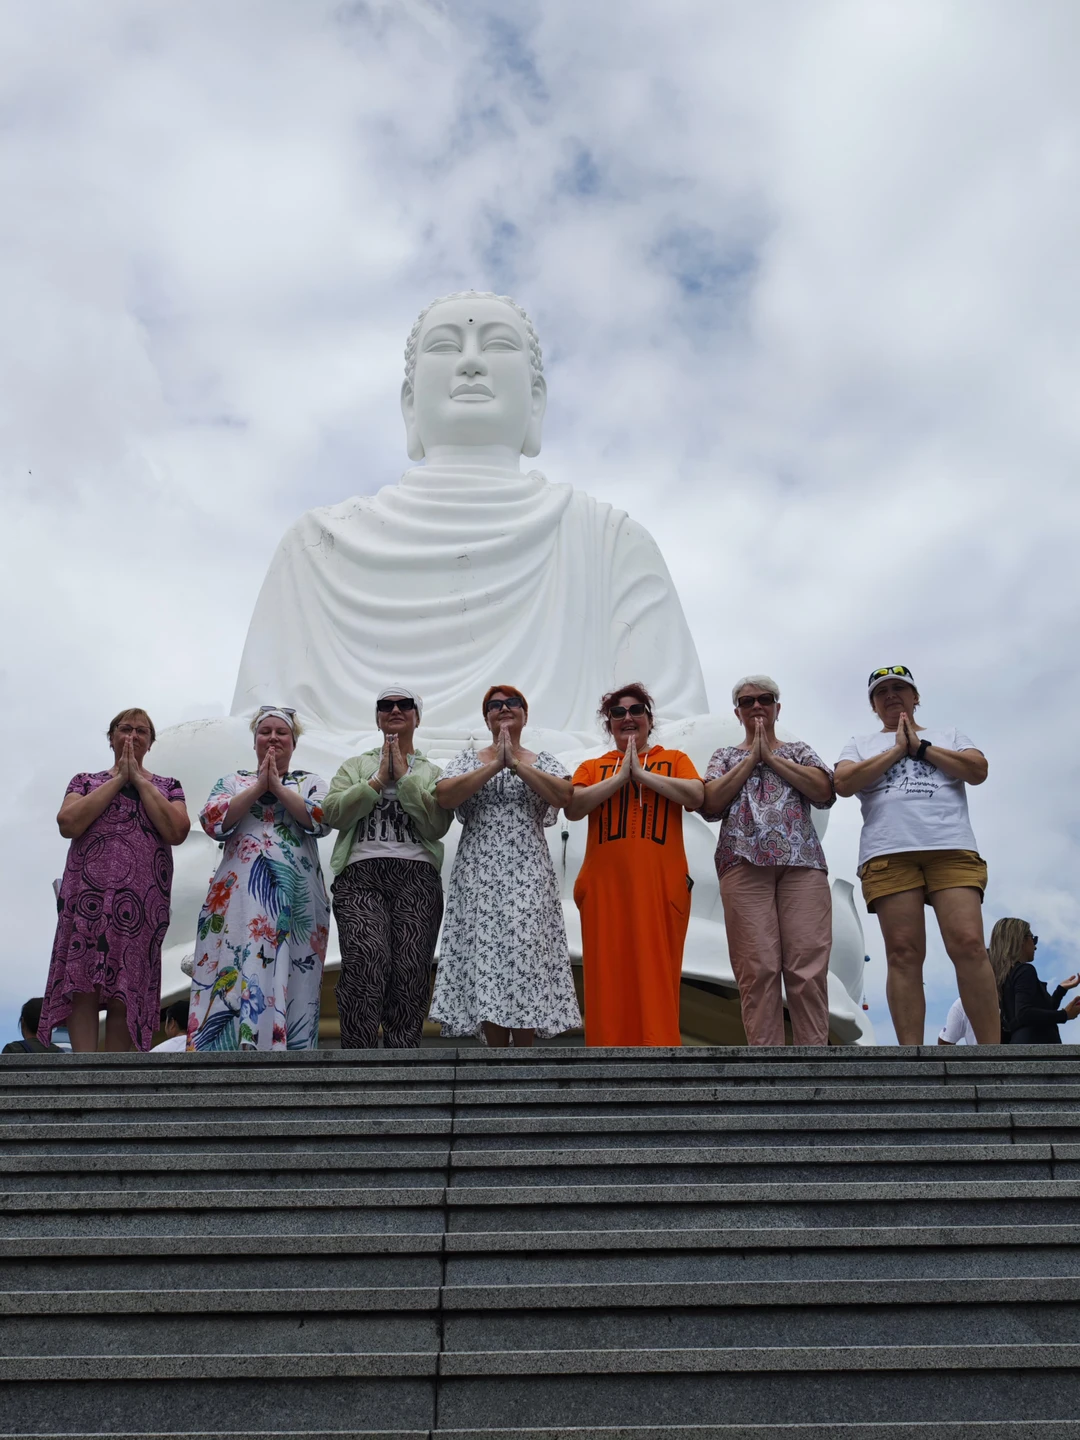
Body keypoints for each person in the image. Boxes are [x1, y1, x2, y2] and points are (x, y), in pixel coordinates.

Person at [834, 665, 999, 1046]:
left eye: (899, 688)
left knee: (970, 944)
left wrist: (922, 748)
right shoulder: (859, 742)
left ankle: (992, 1053)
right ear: (873, 706)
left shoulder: (950, 736)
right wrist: (896, 751)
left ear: (916, 697)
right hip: (888, 852)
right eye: (882, 692)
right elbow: (843, 782)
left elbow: (978, 770)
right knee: (903, 953)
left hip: (951, 848)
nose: (891, 695)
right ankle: (912, 1056)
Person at [430, 685, 581, 1047]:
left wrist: (515, 763)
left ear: (525, 715)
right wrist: (496, 763)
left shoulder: (542, 760)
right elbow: (446, 796)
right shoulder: (468, 760)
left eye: (512, 703)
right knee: (487, 957)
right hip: (479, 873)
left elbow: (564, 795)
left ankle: (523, 1055)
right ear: (486, 718)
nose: (504, 709)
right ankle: (494, 1055)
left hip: (528, 871)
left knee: (524, 955)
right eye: (494, 706)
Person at [39, 709, 190, 1052]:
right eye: (125, 729)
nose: (132, 736)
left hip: (140, 900)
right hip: (88, 894)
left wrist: (137, 780)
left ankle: (116, 1071)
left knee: (127, 983)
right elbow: (69, 823)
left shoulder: (168, 787)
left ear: (151, 743)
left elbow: (177, 829)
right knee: (82, 981)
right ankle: (84, 1067)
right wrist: (118, 779)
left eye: (141, 731)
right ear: (111, 737)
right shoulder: (85, 781)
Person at [700, 675, 835, 1047]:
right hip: (742, 862)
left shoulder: (798, 751)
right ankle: (767, 1061)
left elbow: (825, 790)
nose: (756, 706)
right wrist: (751, 760)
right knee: (757, 968)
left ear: (777, 707)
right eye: (747, 702)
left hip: (801, 862)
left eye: (764, 699)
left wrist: (772, 758)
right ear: (737, 712)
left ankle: (815, 1058)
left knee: (806, 965)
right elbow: (710, 802)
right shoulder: (725, 756)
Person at [567, 684, 704, 1046]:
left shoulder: (673, 759)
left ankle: (659, 1059)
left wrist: (642, 776)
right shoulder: (592, 767)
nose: (628, 718)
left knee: (656, 974)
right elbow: (574, 806)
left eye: (636, 710)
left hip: (659, 887)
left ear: (649, 719)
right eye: (618, 713)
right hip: (605, 888)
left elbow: (696, 795)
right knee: (606, 976)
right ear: (609, 724)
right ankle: (606, 1063)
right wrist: (619, 778)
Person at [187, 707, 330, 1051]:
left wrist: (278, 788)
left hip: (294, 896)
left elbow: (322, 819)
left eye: (281, 732)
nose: (273, 738)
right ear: (254, 741)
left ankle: (286, 1048)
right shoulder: (233, 781)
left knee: (293, 971)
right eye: (265, 731)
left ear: (293, 742)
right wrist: (258, 787)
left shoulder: (310, 781)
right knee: (237, 962)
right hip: (240, 897)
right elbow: (212, 821)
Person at [323, 687, 451, 1049]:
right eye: (386, 705)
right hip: (361, 873)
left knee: (411, 968)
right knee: (366, 957)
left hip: (417, 874)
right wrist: (378, 779)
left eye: (404, 705)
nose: (395, 710)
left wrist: (405, 780)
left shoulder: (431, 770)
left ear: (416, 716)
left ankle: (402, 1057)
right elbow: (332, 813)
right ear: (377, 717)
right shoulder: (355, 766)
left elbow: (436, 826)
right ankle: (358, 1056)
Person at [990, 917, 1080, 1044]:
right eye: (1033, 939)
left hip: (1019, 1046)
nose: (1035, 946)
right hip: (1037, 1049)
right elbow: (1025, 1014)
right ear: (1021, 940)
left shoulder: (1002, 976)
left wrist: (1061, 990)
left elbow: (1038, 1013)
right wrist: (1064, 1015)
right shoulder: (1025, 970)